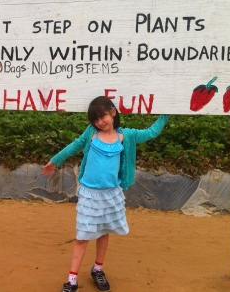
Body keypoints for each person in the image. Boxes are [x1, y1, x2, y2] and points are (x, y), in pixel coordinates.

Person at [42, 96, 170, 292]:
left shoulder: (126, 136)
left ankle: (97, 269)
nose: (100, 122)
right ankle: (72, 280)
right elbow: (74, 146)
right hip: (89, 194)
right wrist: (54, 160)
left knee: (103, 232)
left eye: (102, 116)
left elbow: (151, 132)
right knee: (83, 236)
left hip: (111, 195)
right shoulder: (91, 134)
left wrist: (167, 111)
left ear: (112, 112)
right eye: (95, 119)